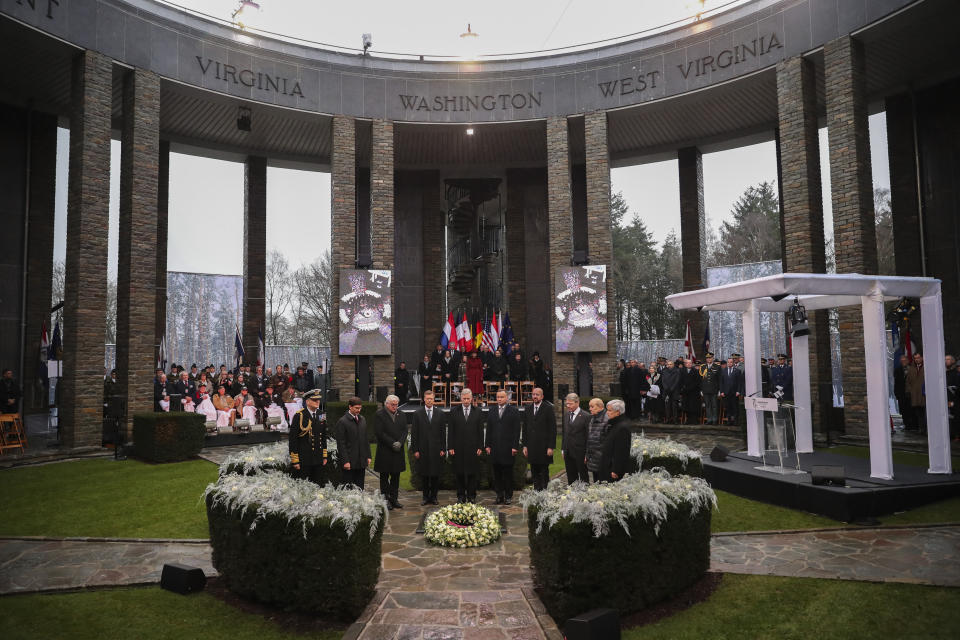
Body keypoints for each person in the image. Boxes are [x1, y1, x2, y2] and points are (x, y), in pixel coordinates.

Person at [447, 388, 484, 503]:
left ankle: (471, 495)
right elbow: (451, 431)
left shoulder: (477, 411)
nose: (466, 401)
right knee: (459, 473)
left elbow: (480, 431)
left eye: (468, 398)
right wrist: (450, 447)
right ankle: (461, 495)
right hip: (458, 448)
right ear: (461, 398)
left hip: (473, 448)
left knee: (472, 473)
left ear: (471, 398)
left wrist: (480, 447)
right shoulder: (454, 411)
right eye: (464, 398)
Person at [485, 389, 521, 504]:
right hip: (495, 448)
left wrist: (515, 446)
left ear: (507, 398)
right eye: (498, 397)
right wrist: (487, 445)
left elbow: (516, 430)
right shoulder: (492, 411)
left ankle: (508, 496)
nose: (499, 399)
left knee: (508, 474)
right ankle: (499, 495)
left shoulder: (514, 411)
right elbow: (489, 429)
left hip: (508, 448)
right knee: (497, 474)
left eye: (501, 397)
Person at [411, 390, 446, 505]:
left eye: (431, 398)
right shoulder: (417, 414)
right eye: (427, 398)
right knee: (425, 474)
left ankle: (434, 497)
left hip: (436, 449)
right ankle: (425, 497)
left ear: (434, 399)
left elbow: (442, 433)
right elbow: (414, 433)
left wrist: (443, 448)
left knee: (435, 474)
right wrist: (415, 449)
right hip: (423, 449)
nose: (429, 400)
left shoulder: (440, 413)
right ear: (424, 399)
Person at [374, 394, 408, 510]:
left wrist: (400, 442)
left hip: (398, 451)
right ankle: (386, 500)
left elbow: (405, 431)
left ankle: (394, 499)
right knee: (384, 477)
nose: (395, 406)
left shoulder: (402, 415)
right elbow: (379, 433)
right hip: (385, 451)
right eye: (392, 404)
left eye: (396, 404)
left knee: (396, 476)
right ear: (386, 404)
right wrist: (392, 443)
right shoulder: (379, 415)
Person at [288, 389, 328, 484]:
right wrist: (295, 460)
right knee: (304, 486)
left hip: (318, 457)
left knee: (318, 484)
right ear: (307, 402)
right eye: (314, 400)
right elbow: (293, 439)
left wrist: (324, 455)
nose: (317, 402)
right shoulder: (299, 416)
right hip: (304, 458)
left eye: (318, 400)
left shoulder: (321, 414)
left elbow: (323, 435)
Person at [522, 387, 556, 491]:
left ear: (542, 396)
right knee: (534, 471)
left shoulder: (548, 408)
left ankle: (545, 493)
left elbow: (552, 429)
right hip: (532, 446)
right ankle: (537, 492)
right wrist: (525, 445)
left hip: (544, 447)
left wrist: (551, 447)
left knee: (544, 471)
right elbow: (525, 428)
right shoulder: (527, 408)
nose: (535, 396)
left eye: (537, 394)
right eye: (533, 394)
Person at [335, 396, 372, 489]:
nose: (359, 410)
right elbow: (341, 444)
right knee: (349, 488)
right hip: (350, 462)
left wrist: (368, 456)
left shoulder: (362, 419)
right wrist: (345, 461)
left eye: (360, 408)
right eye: (356, 408)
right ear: (350, 407)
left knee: (360, 487)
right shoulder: (342, 422)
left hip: (361, 461)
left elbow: (365, 440)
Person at [597, 399, 631, 482]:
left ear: (618, 412)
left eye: (609, 410)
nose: (607, 413)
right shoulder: (614, 423)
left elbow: (621, 451)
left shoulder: (622, 427)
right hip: (606, 464)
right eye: (607, 410)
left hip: (611, 469)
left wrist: (616, 470)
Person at [561, 393, 590, 484]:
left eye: (570, 404)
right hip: (568, 451)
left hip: (580, 452)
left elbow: (588, 435)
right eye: (567, 404)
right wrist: (563, 449)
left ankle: (585, 496)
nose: (568, 406)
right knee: (571, 476)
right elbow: (565, 433)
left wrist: (587, 453)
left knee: (583, 476)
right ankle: (572, 495)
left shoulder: (586, 416)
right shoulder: (566, 415)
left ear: (577, 403)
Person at [584, 397, 609, 483]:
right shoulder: (593, 418)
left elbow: (608, 441)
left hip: (602, 459)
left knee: (604, 484)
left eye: (592, 406)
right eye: (589, 406)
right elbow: (590, 438)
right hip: (594, 458)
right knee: (596, 482)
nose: (589, 409)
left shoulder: (607, 419)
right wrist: (587, 455)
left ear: (600, 407)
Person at [719, 356, 745, 425]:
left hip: (734, 392)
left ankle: (735, 420)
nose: (729, 363)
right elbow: (721, 382)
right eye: (728, 362)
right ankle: (729, 420)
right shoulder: (723, 371)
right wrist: (721, 391)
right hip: (726, 392)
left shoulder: (737, 371)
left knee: (735, 407)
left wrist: (738, 391)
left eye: (731, 362)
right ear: (727, 363)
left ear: (733, 363)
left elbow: (740, 382)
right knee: (728, 407)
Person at [906, 352, 926, 434]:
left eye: (918, 357)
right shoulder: (911, 368)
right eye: (915, 358)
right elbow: (908, 381)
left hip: (924, 395)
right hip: (915, 395)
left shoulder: (926, 366)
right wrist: (909, 391)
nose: (917, 359)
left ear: (922, 358)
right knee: (919, 413)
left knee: (926, 413)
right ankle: (921, 429)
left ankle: (927, 429)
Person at [699, 352, 721, 425]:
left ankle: (715, 420)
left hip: (714, 389)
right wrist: (701, 389)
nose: (708, 359)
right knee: (707, 405)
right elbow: (701, 379)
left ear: (713, 358)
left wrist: (719, 390)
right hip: (705, 389)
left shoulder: (717, 366)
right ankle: (709, 419)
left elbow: (719, 379)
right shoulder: (702, 367)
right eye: (707, 358)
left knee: (714, 405)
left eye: (710, 358)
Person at [894, 354, 915, 430]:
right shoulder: (897, 370)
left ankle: (913, 425)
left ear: (908, 360)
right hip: (901, 394)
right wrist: (896, 393)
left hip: (911, 393)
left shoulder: (912, 369)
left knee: (911, 410)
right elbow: (896, 382)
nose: (903, 361)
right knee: (903, 410)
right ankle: (906, 425)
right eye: (902, 360)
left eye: (904, 360)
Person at [679, 358, 701, 424]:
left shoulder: (696, 371)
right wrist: (682, 388)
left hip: (693, 392)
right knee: (686, 407)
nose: (689, 364)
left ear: (692, 364)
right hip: (685, 392)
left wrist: (690, 388)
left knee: (693, 407)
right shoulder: (681, 371)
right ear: (685, 364)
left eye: (690, 363)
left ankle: (694, 420)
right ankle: (688, 420)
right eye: (687, 363)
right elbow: (680, 381)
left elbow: (697, 382)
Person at [660, 359, 680, 424]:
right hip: (666, 391)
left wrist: (671, 389)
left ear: (673, 365)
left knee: (674, 406)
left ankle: (675, 420)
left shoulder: (677, 371)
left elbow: (677, 381)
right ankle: (667, 419)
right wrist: (666, 388)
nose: (669, 365)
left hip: (674, 391)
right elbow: (663, 381)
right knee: (667, 406)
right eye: (668, 364)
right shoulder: (664, 371)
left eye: (670, 364)